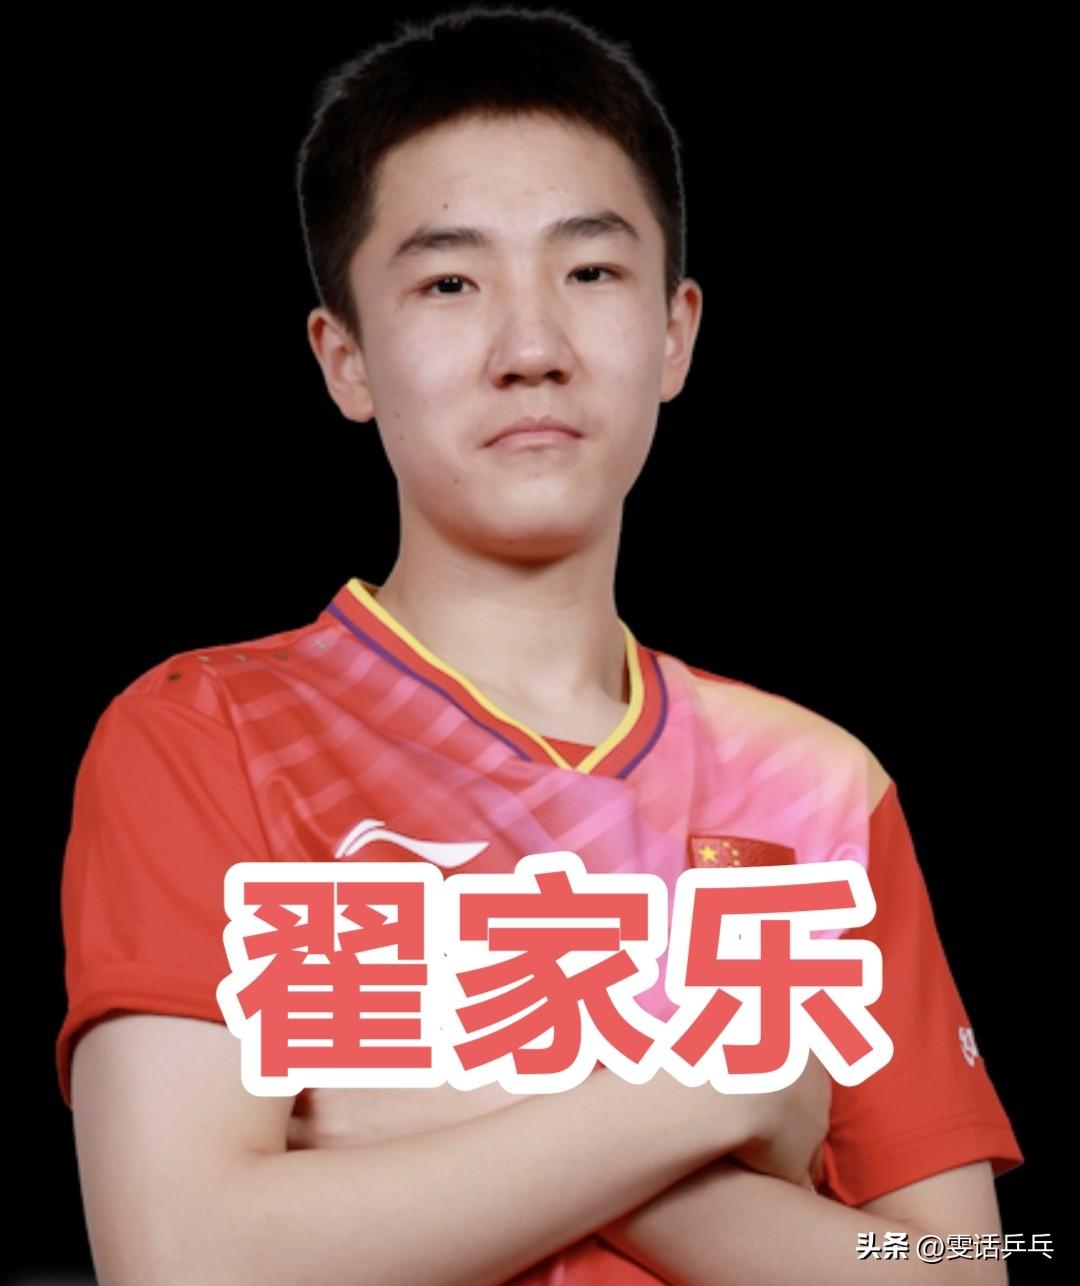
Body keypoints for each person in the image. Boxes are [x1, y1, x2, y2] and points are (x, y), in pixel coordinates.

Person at [58, 6, 1023, 1283]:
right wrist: (699, 1099)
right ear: (344, 358)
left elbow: (957, 1266)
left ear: (675, 332)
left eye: (591, 271)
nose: (532, 350)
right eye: (450, 283)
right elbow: (187, 1258)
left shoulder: (819, 783)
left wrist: (433, 1109)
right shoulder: (205, 733)